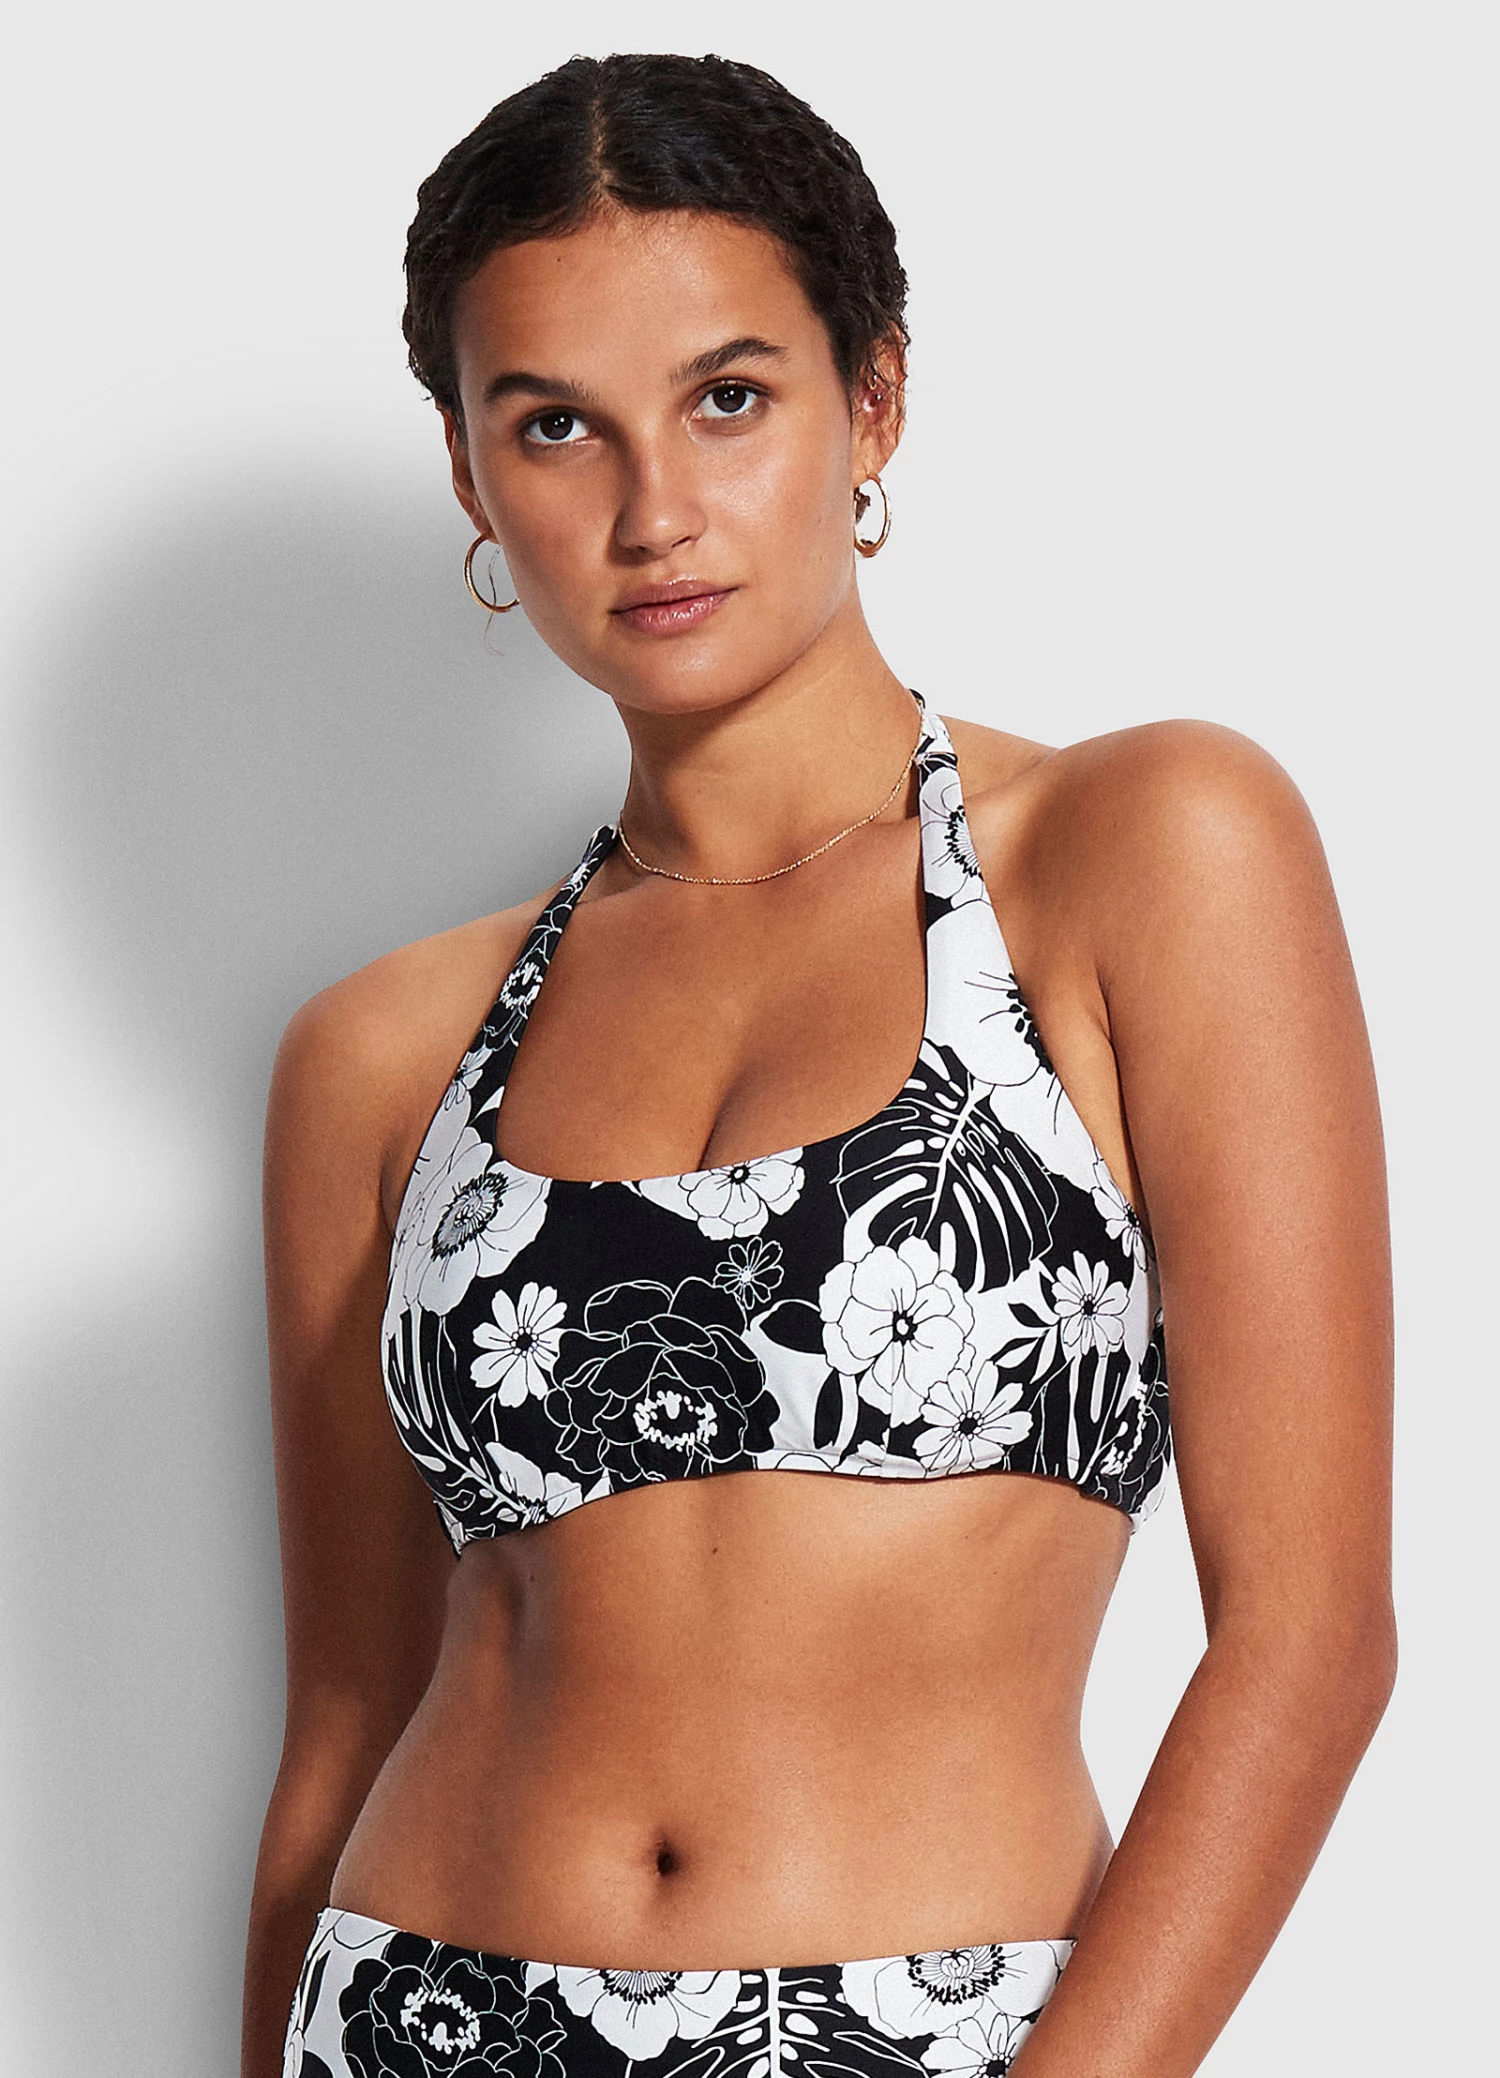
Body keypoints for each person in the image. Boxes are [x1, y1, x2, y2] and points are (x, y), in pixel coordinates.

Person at [243, 52, 1396, 2078]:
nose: (654, 512)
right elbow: (345, 1712)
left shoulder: (1141, 856)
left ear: (872, 400)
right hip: (415, 2016)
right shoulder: (382, 1052)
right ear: (472, 477)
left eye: (729, 397)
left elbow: (1308, 1645)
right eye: (555, 425)